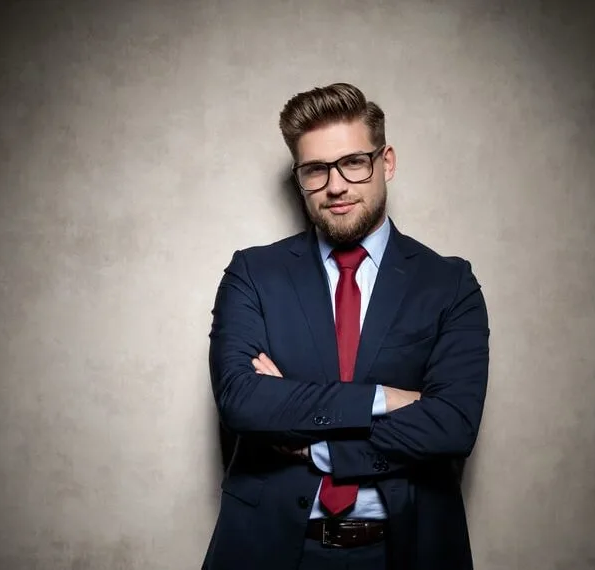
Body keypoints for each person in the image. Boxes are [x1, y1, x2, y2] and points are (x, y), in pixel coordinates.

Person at [201, 82, 490, 570]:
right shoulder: (253, 273)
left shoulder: (449, 282)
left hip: (407, 550)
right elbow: (241, 401)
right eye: (315, 169)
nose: (335, 185)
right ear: (299, 178)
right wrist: (385, 399)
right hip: (266, 549)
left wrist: (313, 438)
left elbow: (453, 425)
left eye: (354, 162)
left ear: (386, 162)